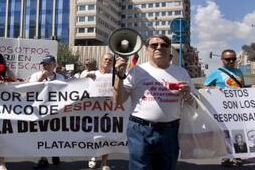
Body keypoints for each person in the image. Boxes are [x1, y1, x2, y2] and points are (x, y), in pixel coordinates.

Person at [113, 35, 196, 170]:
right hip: (140, 130)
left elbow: (192, 104)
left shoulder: (181, 72)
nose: (159, 47)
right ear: (147, 49)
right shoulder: (136, 71)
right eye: (154, 45)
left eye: (164, 45)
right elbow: (118, 100)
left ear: (169, 49)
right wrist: (119, 76)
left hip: (170, 131)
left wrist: (187, 94)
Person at [204, 49, 245, 166]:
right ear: (222, 60)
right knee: (225, 133)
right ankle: (225, 157)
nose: (231, 61)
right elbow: (205, 87)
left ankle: (238, 156)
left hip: (238, 108)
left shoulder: (239, 72)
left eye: (233, 59)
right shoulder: (216, 72)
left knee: (239, 132)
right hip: (223, 109)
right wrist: (215, 90)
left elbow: (243, 88)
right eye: (228, 59)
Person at [29, 55, 64, 169]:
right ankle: (43, 159)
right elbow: (30, 91)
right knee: (41, 133)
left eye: (48, 63)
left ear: (54, 65)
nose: (45, 66)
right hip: (40, 110)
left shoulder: (60, 78)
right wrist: (41, 79)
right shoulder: (35, 76)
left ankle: (55, 152)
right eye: (44, 64)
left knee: (55, 133)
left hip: (56, 111)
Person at [83, 54, 113, 170]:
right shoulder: (91, 74)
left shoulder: (115, 76)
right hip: (92, 111)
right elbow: (78, 86)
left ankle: (104, 163)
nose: (108, 61)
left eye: (110, 60)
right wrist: (86, 77)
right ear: (101, 61)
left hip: (109, 111)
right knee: (93, 136)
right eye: (106, 59)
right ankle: (93, 157)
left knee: (106, 137)